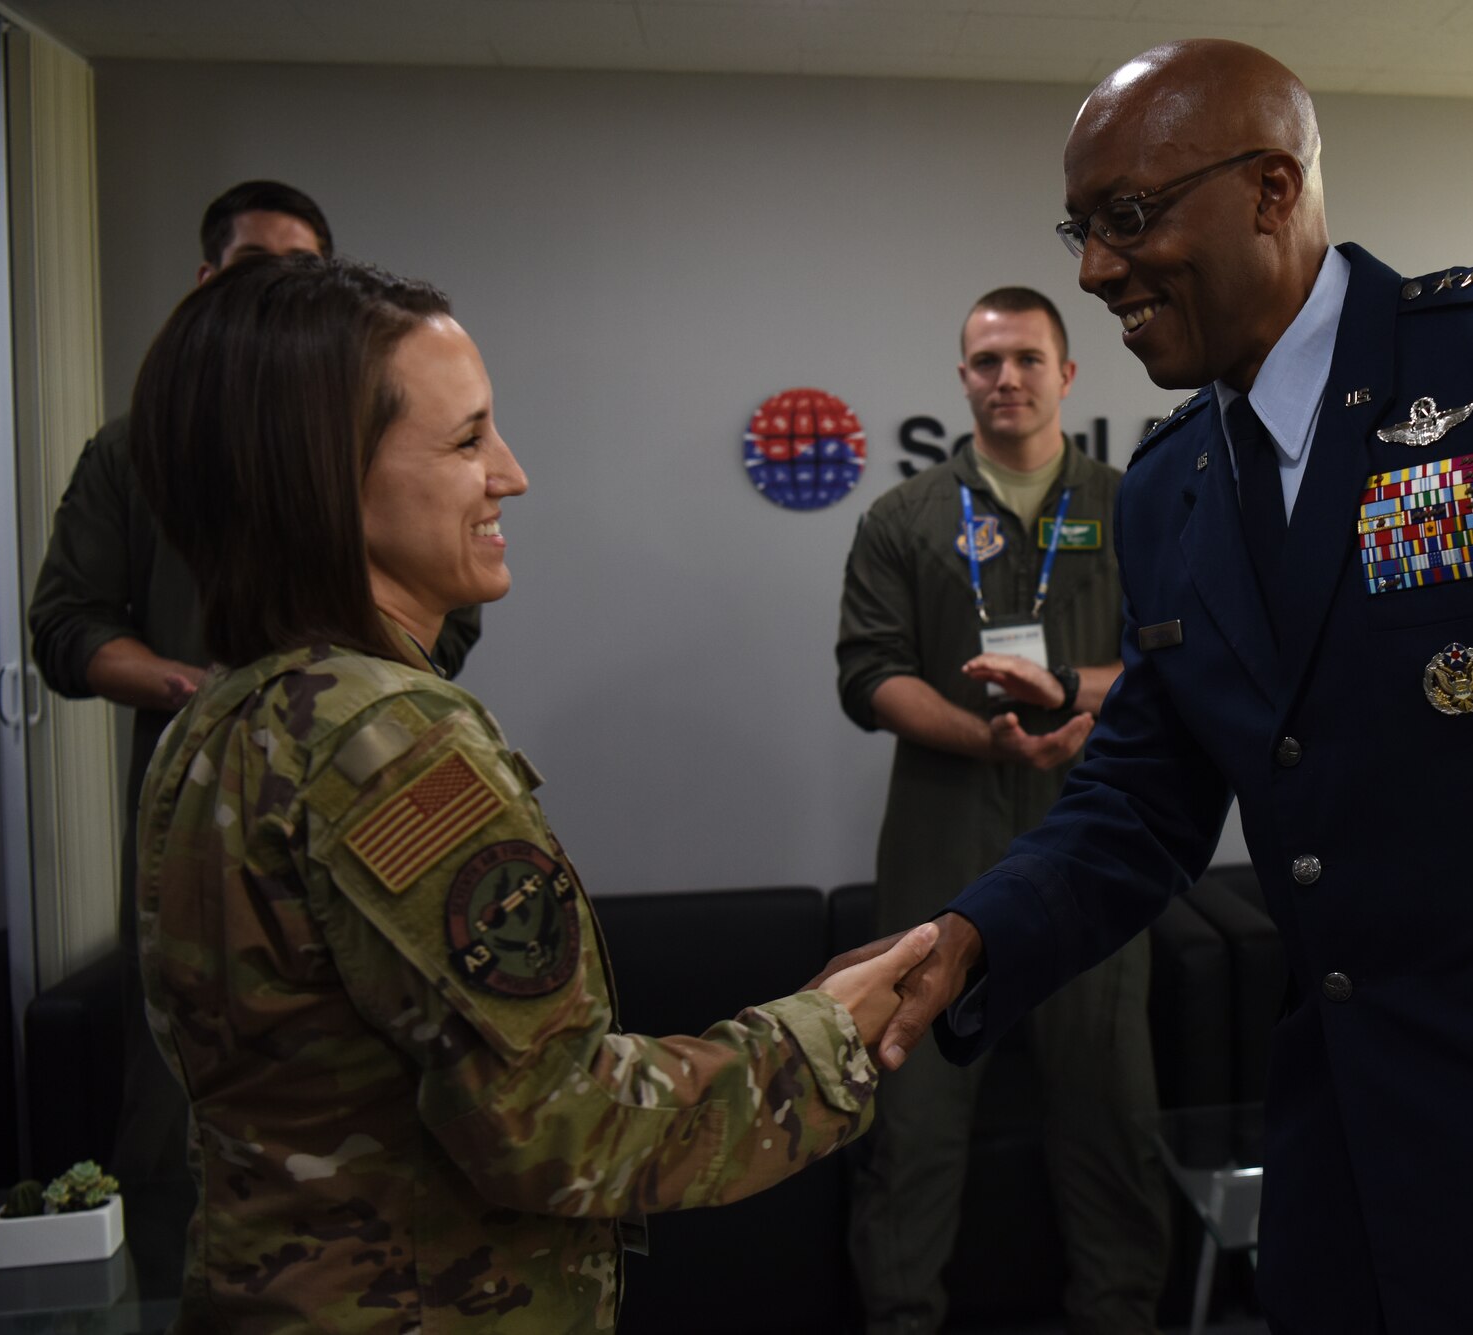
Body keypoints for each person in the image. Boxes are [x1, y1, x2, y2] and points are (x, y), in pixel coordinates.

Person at [823, 39, 1473, 1335]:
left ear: (1269, 187)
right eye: (1080, 229)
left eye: (1127, 218)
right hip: (1343, 1164)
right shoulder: (1171, 484)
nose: (1095, 271)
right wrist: (964, 938)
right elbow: (1141, 796)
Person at [127, 253, 937, 1333]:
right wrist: (826, 1035)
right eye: (466, 440)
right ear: (326, 476)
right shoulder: (393, 746)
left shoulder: (216, 723)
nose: (510, 473)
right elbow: (558, 1126)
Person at [28, 180, 483, 1184]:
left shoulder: (352, 442)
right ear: (206, 282)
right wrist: (200, 690)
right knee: (181, 1100)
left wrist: (315, 698)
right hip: (201, 810)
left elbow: (444, 620)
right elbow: (66, 628)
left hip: (366, 799)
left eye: (303, 270)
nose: (501, 476)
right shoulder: (138, 448)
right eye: (254, 267)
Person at [835, 287, 1170, 1334]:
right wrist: (981, 736)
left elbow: (1180, 666)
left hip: (1093, 849)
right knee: (914, 1128)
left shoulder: (1134, 506)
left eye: (1027, 358)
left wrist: (1075, 700)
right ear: (962, 379)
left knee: (1109, 1121)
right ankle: (899, 1318)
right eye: (985, 362)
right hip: (942, 847)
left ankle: (1117, 1316)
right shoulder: (904, 519)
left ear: (1066, 374)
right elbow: (867, 676)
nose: (1006, 379)